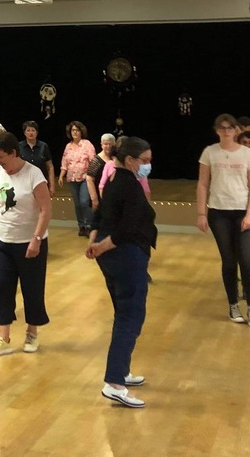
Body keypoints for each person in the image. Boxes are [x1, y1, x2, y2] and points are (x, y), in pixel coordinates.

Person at [86, 136, 156, 408]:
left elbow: (101, 213)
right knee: (131, 316)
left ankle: (121, 370)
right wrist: (101, 246)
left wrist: (95, 240)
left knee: (124, 313)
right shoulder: (129, 185)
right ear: (130, 160)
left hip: (114, 256)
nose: (148, 165)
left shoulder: (115, 179)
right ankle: (114, 382)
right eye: (145, 161)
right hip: (125, 256)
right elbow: (127, 227)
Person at [0, 130, 52, 357]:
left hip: (30, 243)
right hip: (4, 242)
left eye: (1, 157)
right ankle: (4, 338)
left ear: (13, 153)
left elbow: (46, 209)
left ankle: (32, 333)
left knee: (32, 289)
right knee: (3, 289)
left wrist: (36, 238)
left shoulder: (33, 174)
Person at [196, 114, 250, 327]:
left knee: (247, 260)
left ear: (236, 130)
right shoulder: (209, 152)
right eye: (222, 128)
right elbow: (203, 184)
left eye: (230, 128)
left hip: (243, 211)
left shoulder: (246, 153)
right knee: (229, 260)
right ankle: (233, 304)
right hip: (219, 212)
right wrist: (201, 213)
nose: (226, 131)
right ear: (217, 130)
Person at [61, 120, 97, 236]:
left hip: (85, 178)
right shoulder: (68, 146)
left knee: (84, 202)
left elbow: (93, 161)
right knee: (77, 204)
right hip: (72, 179)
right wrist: (61, 175)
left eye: (77, 130)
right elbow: (65, 163)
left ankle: (89, 225)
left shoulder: (87, 144)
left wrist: (91, 175)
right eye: (73, 130)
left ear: (81, 132)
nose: (75, 132)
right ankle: (81, 226)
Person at [17, 121, 55, 192]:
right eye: (28, 130)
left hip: (41, 182)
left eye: (33, 130)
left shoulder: (43, 146)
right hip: (24, 183)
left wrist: (52, 185)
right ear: (24, 133)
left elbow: (50, 167)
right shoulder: (19, 146)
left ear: (37, 132)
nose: (31, 133)